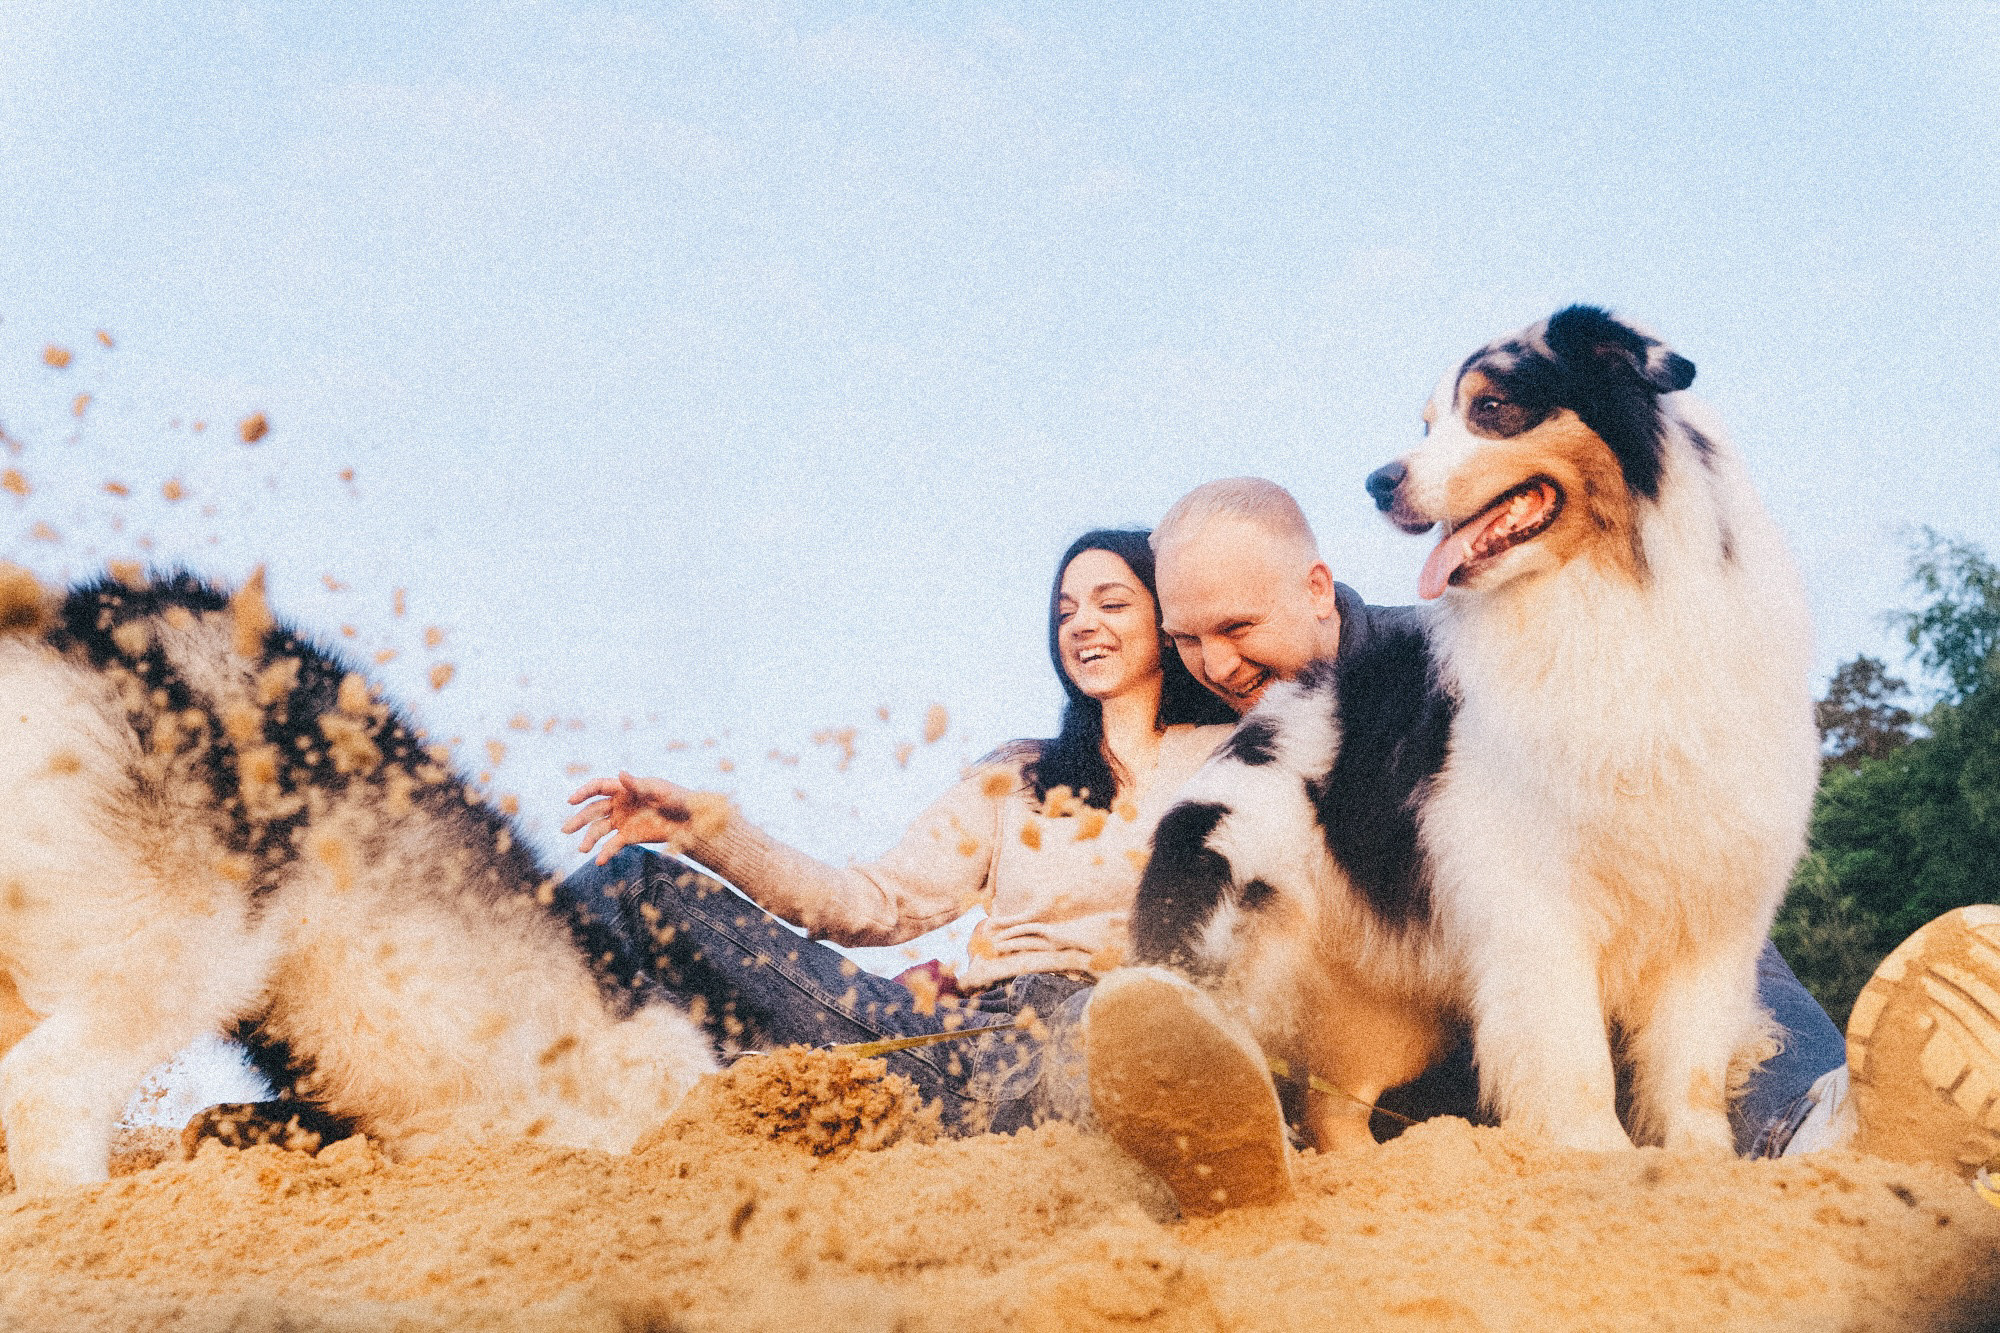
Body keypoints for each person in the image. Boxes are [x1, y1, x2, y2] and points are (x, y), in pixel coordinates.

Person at [1085, 477, 2000, 1213]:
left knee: (1692, 889)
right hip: (1412, 1030)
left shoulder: (1459, 650)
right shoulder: (1217, 748)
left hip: (1554, 981)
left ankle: (1812, 1117)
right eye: (1187, 640)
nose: (1215, 663)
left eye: (1238, 628)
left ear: (1316, 588)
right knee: (1211, 856)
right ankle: (1202, 1100)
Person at [557, 529, 1237, 1134]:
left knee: (1126, 1014)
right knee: (632, 887)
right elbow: (870, 901)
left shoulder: (1232, 756)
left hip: (1114, 1028)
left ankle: (1202, 1130)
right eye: (1066, 611)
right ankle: (553, 1093)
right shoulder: (1018, 774)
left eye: (1111, 603)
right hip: (960, 1042)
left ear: (1168, 621)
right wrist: (703, 828)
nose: (1083, 623)